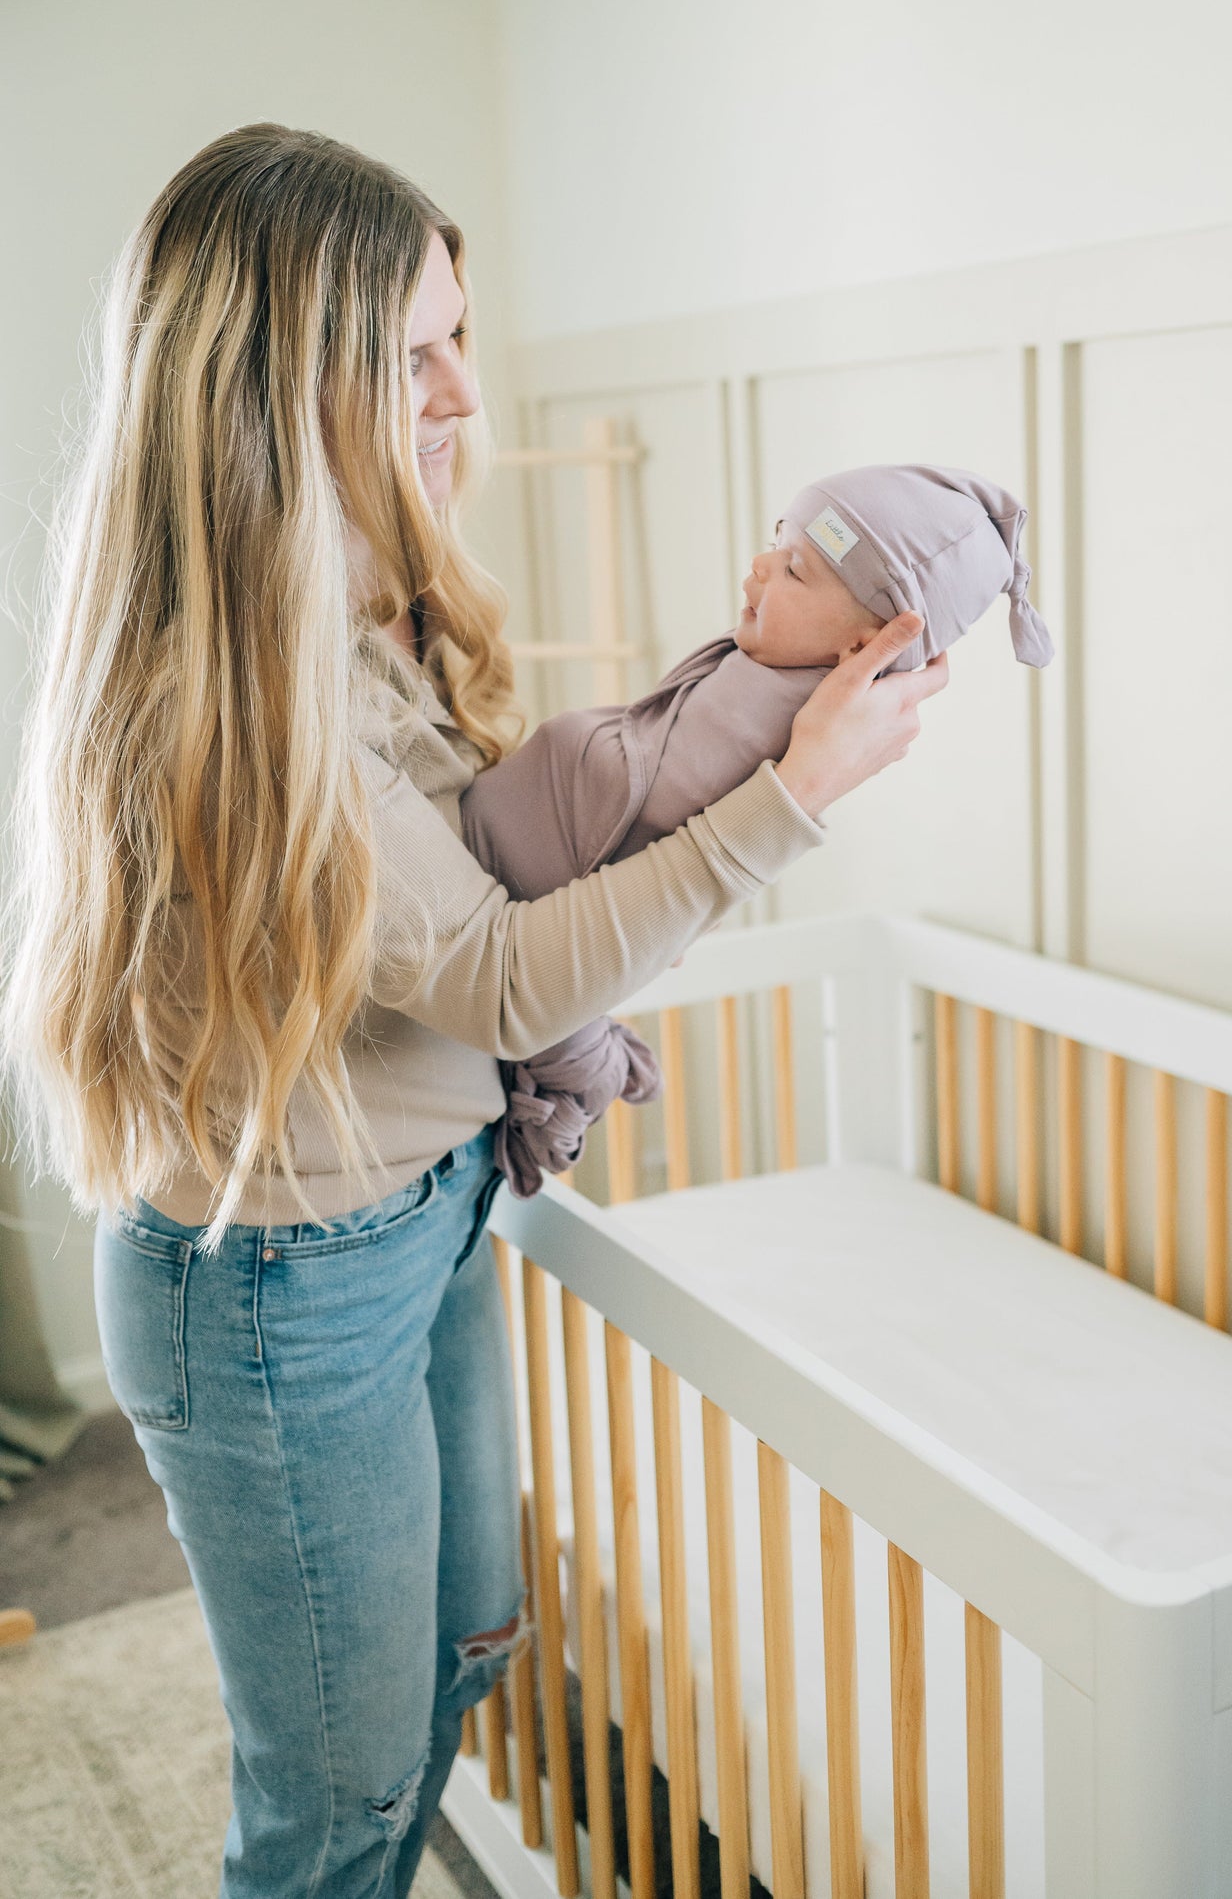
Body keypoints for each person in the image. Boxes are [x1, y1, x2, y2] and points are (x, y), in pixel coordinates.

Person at [1, 123, 947, 1899]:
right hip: (282, 1290)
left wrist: (726, 725)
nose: (462, 389)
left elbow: (507, 859)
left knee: (462, 1660)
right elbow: (507, 973)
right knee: (337, 1805)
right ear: (294, 388)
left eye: (461, 334)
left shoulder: (362, 605)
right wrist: (790, 793)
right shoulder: (239, 691)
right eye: (415, 351)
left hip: (425, 1215)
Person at [466, 462, 1053, 1193]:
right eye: (779, 540)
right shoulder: (788, 682)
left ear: (863, 647)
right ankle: (579, 1065)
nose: (761, 564)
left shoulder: (774, 726)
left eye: (795, 570)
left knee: (566, 1017)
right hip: (508, 875)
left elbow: (629, 823)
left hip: (521, 887)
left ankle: (574, 1084)